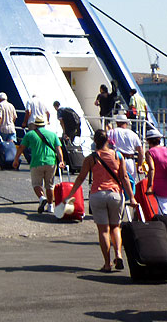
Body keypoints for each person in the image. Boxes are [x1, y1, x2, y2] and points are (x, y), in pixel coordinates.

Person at [63, 129, 136, 272]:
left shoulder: (91, 158)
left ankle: (107, 264)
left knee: (103, 230)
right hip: (115, 195)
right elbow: (125, 178)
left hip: (97, 195)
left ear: (95, 141)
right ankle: (119, 255)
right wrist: (132, 197)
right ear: (108, 140)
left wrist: (70, 194)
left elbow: (81, 178)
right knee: (116, 227)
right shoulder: (118, 155)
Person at [14, 114, 65, 214]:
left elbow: (21, 147)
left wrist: (16, 159)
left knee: (36, 184)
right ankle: (50, 206)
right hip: (51, 162)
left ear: (35, 125)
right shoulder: (53, 134)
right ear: (44, 124)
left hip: (37, 162)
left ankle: (42, 198)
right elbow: (58, 149)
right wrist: (61, 161)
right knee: (50, 185)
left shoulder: (30, 134)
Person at [108, 114, 143, 193]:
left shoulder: (111, 132)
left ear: (117, 123)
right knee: (130, 183)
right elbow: (140, 151)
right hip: (130, 160)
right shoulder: (133, 134)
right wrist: (140, 165)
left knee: (115, 181)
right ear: (126, 123)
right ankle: (130, 199)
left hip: (116, 160)